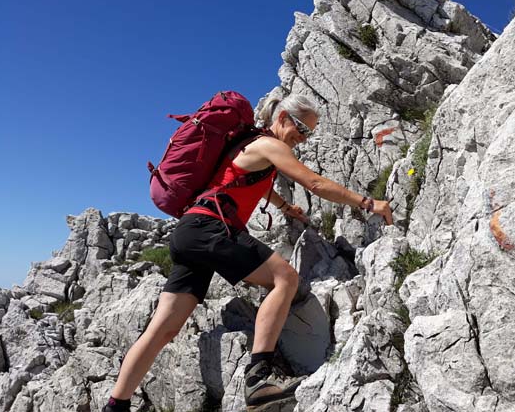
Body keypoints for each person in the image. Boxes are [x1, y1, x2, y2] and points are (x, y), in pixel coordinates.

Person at [103, 94, 393, 412]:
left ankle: (116, 405)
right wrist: (369, 203)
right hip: (211, 226)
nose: (304, 138)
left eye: (309, 133)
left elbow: (250, 179)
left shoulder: (249, 145)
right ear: (282, 118)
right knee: (285, 278)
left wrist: (286, 207)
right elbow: (315, 183)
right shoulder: (270, 145)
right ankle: (259, 379)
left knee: (163, 329)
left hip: (190, 232)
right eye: (301, 129)